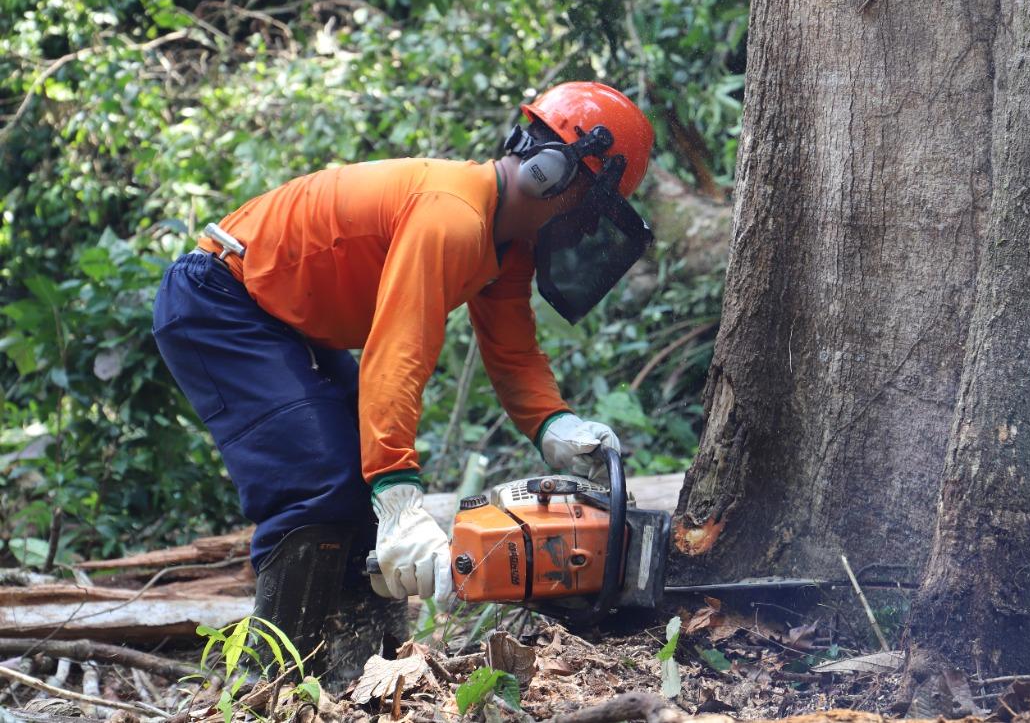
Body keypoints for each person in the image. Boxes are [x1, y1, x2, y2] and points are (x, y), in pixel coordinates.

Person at [151, 82, 654, 681]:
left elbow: (513, 351)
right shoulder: (454, 216)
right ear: (553, 174)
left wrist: (555, 425)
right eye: (589, 202)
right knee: (319, 481)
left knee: (353, 486)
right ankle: (268, 686)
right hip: (221, 297)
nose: (582, 221)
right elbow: (398, 350)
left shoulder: (505, 245)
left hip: (284, 319)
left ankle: (359, 676)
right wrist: (398, 495)